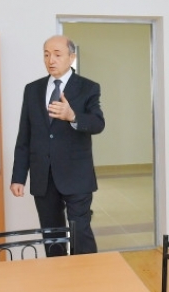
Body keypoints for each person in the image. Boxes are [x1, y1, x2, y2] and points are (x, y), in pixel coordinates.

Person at [11, 35, 105, 254]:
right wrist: (18, 177)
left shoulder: (88, 87)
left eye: (57, 54)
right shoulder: (32, 89)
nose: (50, 60)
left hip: (76, 176)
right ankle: (58, 274)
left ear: (71, 57)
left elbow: (98, 123)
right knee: (52, 236)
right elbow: (24, 136)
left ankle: (88, 274)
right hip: (43, 177)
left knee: (80, 233)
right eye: (46, 54)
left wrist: (73, 116)